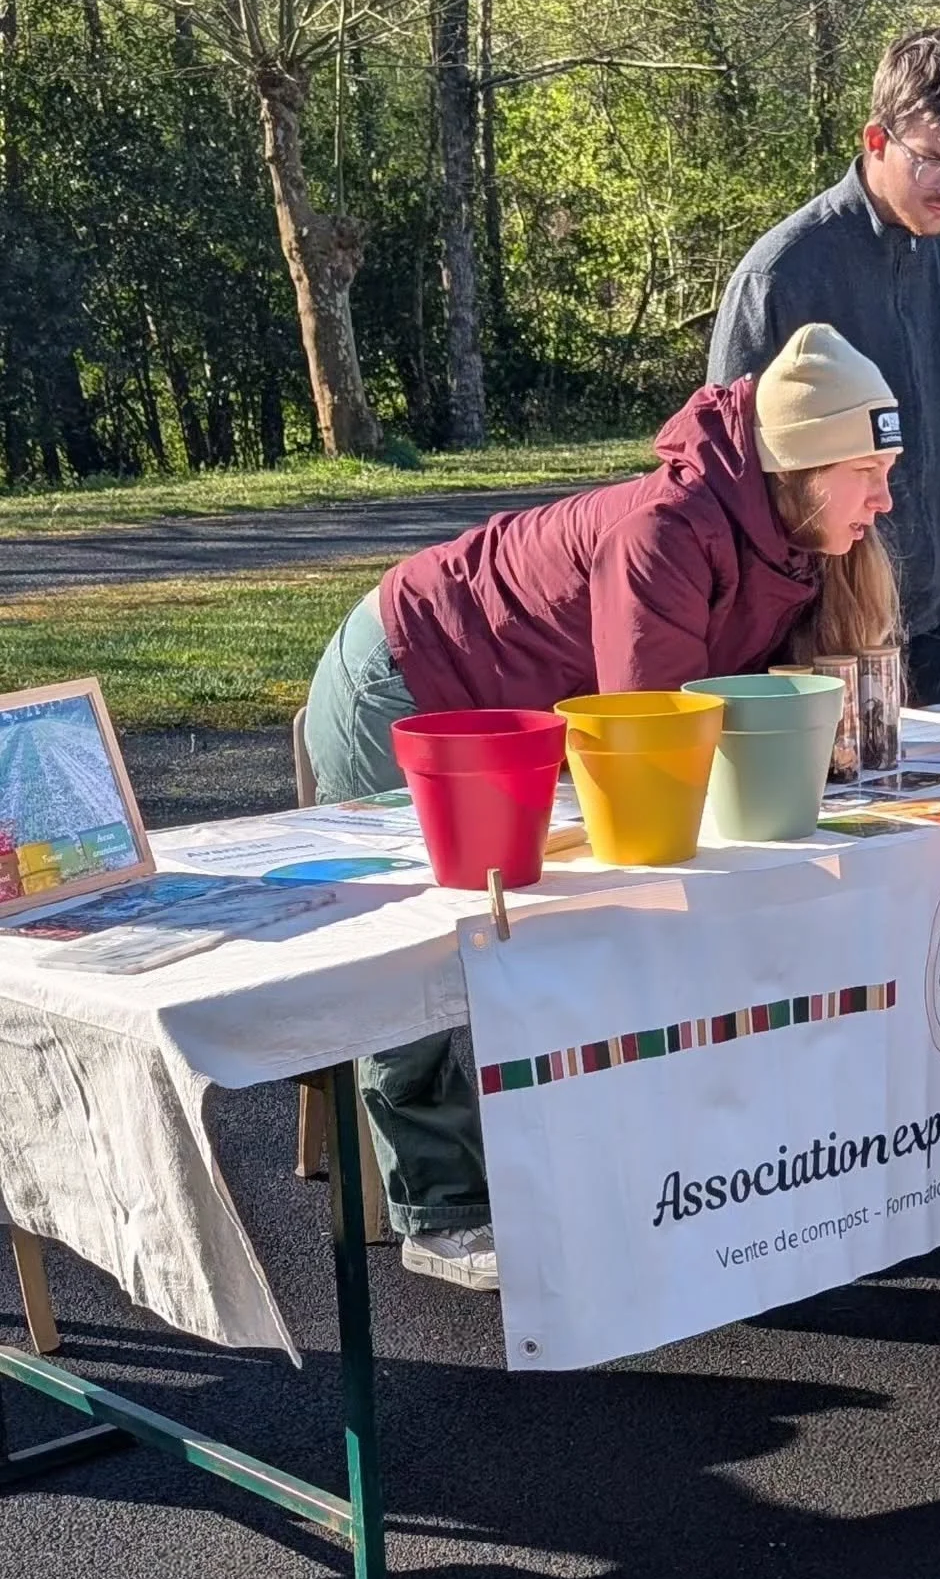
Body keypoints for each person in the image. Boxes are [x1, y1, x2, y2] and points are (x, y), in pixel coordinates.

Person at [305, 324, 902, 1291]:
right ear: (797, 466)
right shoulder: (664, 533)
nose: (883, 494)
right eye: (864, 468)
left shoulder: (796, 538)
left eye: (887, 466)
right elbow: (647, 756)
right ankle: (440, 1204)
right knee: (425, 931)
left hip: (524, 712)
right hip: (410, 679)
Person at [707, 25, 940, 707]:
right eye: (936, 162)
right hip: (823, 634)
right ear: (877, 140)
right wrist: (788, 613)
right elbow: (723, 478)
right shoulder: (779, 275)